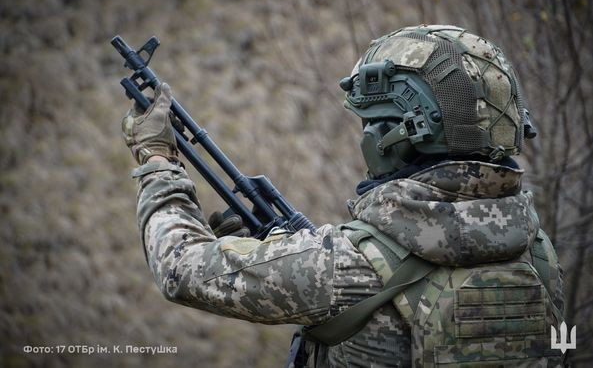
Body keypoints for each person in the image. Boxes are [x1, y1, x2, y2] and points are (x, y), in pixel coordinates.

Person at [122, 25, 565, 367]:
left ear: (395, 137)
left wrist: (157, 157)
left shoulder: (344, 268)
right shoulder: (539, 254)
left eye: (371, 124)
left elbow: (179, 267)